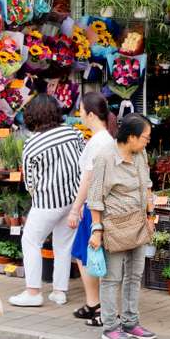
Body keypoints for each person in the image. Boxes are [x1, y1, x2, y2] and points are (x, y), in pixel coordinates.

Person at [87, 113, 157, 339]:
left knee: (135, 275)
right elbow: (95, 197)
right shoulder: (104, 158)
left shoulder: (140, 154)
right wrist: (97, 230)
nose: (148, 141)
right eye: (145, 137)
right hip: (114, 226)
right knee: (112, 278)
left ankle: (130, 322)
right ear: (131, 137)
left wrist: (150, 215)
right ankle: (110, 326)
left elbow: (146, 185)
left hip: (138, 224)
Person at [10, 94, 84, 307]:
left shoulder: (33, 143)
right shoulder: (73, 132)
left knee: (31, 241)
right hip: (73, 199)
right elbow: (84, 162)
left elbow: (30, 179)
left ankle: (33, 292)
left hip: (47, 201)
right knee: (64, 244)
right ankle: (59, 291)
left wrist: (36, 195)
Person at [68, 92, 116, 326]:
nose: (79, 115)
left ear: (91, 114)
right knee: (87, 254)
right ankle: (94, 304)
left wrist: (76, 208)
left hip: (93, 206)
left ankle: (98, 307)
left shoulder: (98, 142)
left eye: (81, 110)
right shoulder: (107, 139)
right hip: (103, 205)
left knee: (86, 255)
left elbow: (87, 180)